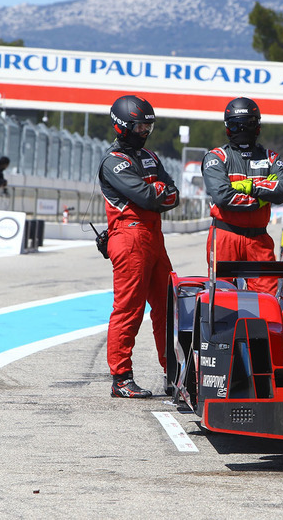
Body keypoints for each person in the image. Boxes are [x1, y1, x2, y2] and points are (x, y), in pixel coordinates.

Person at [99, 95, 179, 398]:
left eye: (148, 125)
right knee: (129, 310)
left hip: (154, 237)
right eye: (139, 125)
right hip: (130, 237)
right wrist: (157, 191)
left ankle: (174, 374)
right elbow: (148, 197)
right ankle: (121, 377)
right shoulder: (113, 161)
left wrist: (157, 191)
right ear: (122, 126)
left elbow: (173, 195)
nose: (144, 130)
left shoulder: (150, 156)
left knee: (167, 308)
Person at [202, 97, 283, 294]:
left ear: (257, 126)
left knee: (267, 298)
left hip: (259, 239)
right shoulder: (216, 157)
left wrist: (249, 186)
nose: (242, 130)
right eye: (236, 126)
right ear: (227, 127)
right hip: (225, 236)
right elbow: (222, 197)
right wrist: (260, 199)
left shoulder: (270, 157)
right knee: (221, 297)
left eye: (248, 125)